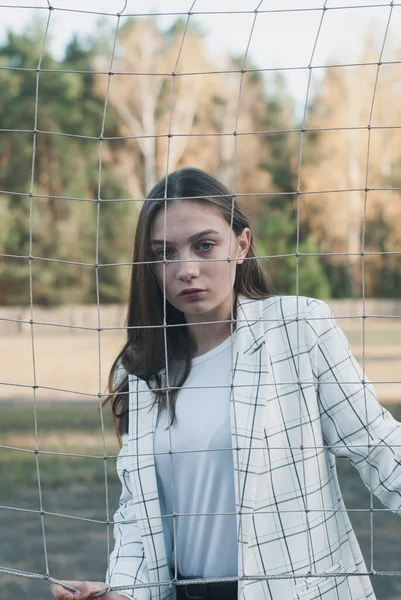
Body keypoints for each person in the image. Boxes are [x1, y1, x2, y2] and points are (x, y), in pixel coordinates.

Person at [51, 167, 401, 600]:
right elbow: (139, 514)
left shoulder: (296, 328)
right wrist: (122, 593)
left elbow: (381, 447)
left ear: (241, 244)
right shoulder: (140, 368)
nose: (187, 269)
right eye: (164, 253)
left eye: (204, 245)